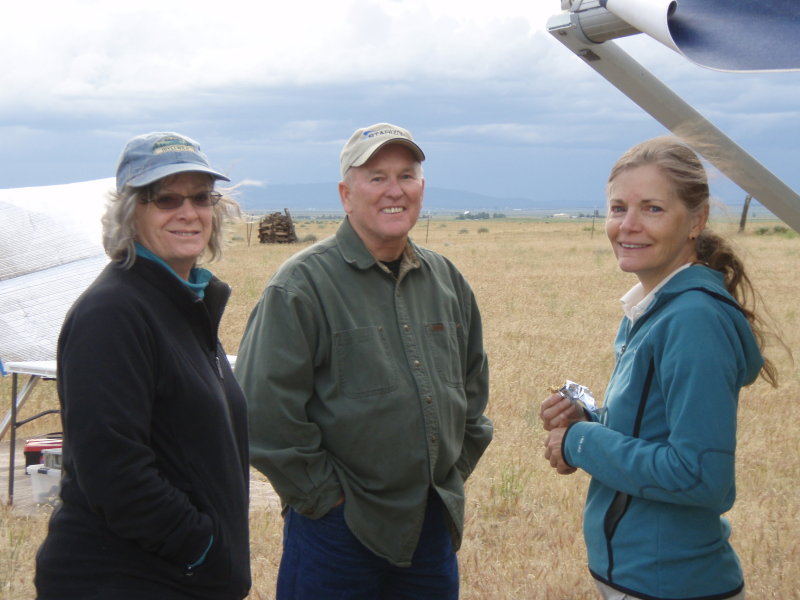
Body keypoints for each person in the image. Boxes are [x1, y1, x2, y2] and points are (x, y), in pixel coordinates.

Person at [235, 122, 493, 599]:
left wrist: (450, 474)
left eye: (407, 175)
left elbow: (473, 391)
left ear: (421, 187)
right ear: (346, 194)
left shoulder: (446, 281)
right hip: (338, 534)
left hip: (430, 527)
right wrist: (326, 500)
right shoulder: (302, 286)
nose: (394, 190)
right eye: (376, 177)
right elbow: (261, 412)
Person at [540, 136, 780, 600]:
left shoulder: (693, 320)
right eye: (617, 208)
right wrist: (589, 421)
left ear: (696, 220)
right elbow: (655, 438)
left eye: (652, 209)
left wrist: (581, 441)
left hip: (671, 584)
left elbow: (700, 477)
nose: (627, 226)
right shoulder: (656, 308)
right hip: (644, 579)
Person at [35, 132, 251, 600]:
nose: (188, 212)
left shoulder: (183, 304)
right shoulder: (113, 314)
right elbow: (113, 472)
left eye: (200, 197)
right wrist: (202, 549)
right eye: (166, 199)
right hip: (125, 580)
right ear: (132, 214)